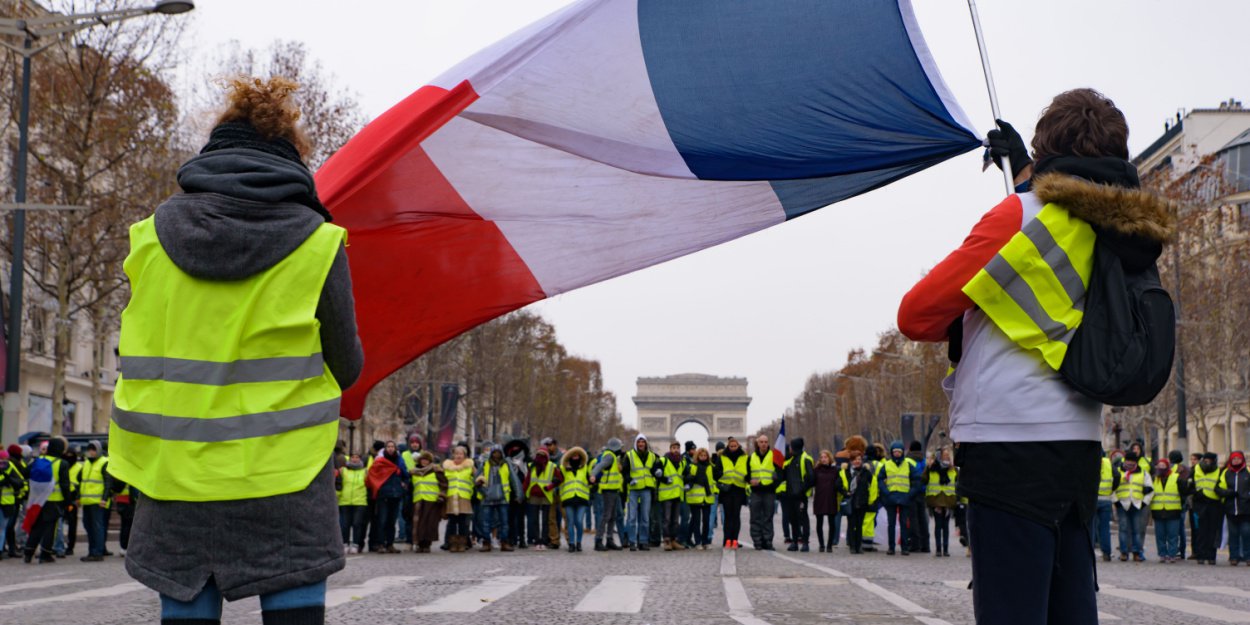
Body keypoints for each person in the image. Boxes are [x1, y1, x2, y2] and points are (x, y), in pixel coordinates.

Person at [898, 88, 1173, 624]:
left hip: (1004, 440)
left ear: (1047, 149)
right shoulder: (1123, 228)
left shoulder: (1017, 217)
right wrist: (1028, 172)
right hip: (1077, 443)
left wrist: (982, 297)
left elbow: (916, 315)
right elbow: (1068, 215)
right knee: (1069, 608)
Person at [108, 75, 364, 624]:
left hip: (173, 475)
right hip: (283, 476)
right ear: (292, 157)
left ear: (213, 151)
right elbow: (346, 366)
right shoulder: (318, 244)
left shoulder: (148, 239)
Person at [24, 436, 72, 563]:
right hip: (54, 500)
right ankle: (45, 554)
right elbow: (65, 485)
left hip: (38, 499)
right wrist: (68, 502)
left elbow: (26, 473)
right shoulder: (62, 463)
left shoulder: (38, 460)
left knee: (36, 526)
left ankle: (28, 553)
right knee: (50, 528)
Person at [369, 441, 409, 553]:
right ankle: (381, 543)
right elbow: (373, 475)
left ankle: (390, 544)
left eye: (392, 447)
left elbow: (405, 475)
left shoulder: (400, 460)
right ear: (385, 449)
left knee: (392, 521)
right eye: (388, 447)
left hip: (396, 494)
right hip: (383, 494)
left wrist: (404, 485)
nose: (391, 449)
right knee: (382, 520)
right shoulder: (380, 461)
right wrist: (378, 486)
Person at [621, 434, 659, 551]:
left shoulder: (652, 456)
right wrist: (629, 480)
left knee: (645, 518)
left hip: (646, 489)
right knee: (632, 518)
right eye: (639, 442)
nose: (641, 444)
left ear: (646, 443)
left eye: (643, 442)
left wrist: (658, 472)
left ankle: (643, 541)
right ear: (636, 443)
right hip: (633, 490)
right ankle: (632, 542)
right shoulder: (629, 455)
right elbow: (625, 472)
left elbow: (653, 470)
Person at [1114, 450, 1153, 562]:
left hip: (1137, 505)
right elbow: (1111, 488)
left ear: (1136, 462)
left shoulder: (1143, 473)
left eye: (1132, 462)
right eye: (1128, 462)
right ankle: (1124, 552)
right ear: (1124, 461)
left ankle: (1137, 553)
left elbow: (1151, 490)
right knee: (1123, 529)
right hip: (1122, 504)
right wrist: (1116, 501)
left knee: (1137, 530)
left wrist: (1145, 503)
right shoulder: (1118, 472)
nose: (1129, 464)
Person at [778, 437, 814, 552]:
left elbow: (811, 478)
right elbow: (782, 477)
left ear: (792, 448)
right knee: (793, 519)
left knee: (803, 519)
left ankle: (805, 542)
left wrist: (801, 490)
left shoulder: (806, 459)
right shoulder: (788, 461)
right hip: (790, 495)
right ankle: (794, 542)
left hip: (801, 496)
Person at [881, 441, 916, 556]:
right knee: (891, 524)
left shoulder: (908, 465)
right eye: (895, 451)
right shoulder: (886, 465)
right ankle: (891, 547)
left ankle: (904, 548)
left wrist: (910, 494)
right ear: (892, 452)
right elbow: (880, 480)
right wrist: (886, 492)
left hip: (904, 497)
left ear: (902, 453)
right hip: (891, 497)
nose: (897, 453)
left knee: (903, 524)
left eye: (899, 451)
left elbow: (917, 480)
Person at [78, 441, 112, 562]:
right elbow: (81, 481)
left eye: (93, 449)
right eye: (89, 449)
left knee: (97, 527)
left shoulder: (104, 462)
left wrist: (104, 499)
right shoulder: (87, 463)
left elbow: (108, 482)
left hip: (98, 502)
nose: (91, 452)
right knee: (89, 527)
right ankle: (91, 551)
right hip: (87, 501)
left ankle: (97, 552)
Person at [1149, 458, 1187, 563]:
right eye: (1159, 465)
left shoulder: (1176, 478)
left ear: (1167, 466)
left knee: (1173, 535)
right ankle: (1162, 554)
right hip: (1158, 510)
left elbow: (1183, 492)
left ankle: (1172, 554)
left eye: (1163, 465)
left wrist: (1183, 504)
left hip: (1173, 510)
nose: (1161, 467)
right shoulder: (1153, 479)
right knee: (1160, 535)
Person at [475, 445, 513, 552]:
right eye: (495, 452)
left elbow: (513, 479)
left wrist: (519, 494)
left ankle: (504, 542)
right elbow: (476, 479)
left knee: (504, 522)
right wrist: (481, 490)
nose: (497, 454)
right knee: (485, 522)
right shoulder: (484, 464)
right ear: (491, 453)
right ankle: (486, 542)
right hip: (487, 497)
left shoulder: (506, 464)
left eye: (498, 452)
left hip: (503, 497)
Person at [590, 438, 625, 551]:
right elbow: (600, 465)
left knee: (612, 516)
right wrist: (593, 475)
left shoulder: (613, 457)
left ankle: (609, 539)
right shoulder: (609, 456)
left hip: (614, 490)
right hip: (608, 490)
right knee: (606, 516)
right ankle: (598, 540)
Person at [714, 437, 749, 549]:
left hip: (739, 489)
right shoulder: (722, 457)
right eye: (731, 446)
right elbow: (716, 473)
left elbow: (749, 471)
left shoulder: (745, 458)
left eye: (735, 446)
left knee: (736, 516)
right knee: (728, 516)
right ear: (728, 447)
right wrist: (724, 476)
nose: (733, 448)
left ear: (738, 446)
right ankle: (727, 539)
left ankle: (735, 540)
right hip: (727, 490)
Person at [524, 447, 561, 550]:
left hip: (546, 495)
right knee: (534, 520)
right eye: (538, 454)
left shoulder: (551, 466)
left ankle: (544, 541)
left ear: (547, 456)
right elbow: (527, 480)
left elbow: (560, 479)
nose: (540, 457)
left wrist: (550, 487)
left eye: (543, 455)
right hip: (533, 495)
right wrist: (522, 493)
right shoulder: (532, 466)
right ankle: (537, 541)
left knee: (545, 520)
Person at [1215, 451, 1248, 565]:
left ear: (1242, 460)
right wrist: (1228, 493)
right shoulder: (1226, 473)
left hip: (1246, 509)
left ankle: (1248, 556)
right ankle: (1234, 557)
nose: (1236, 461)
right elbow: (1218, 489)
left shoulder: (1248, 472)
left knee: (1246, 533)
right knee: (1233, 535)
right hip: (1230, 509)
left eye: (1238, 459)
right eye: (1234, 459)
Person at [1190, 452, 1224, 564]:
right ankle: (1200, 555)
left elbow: (1221, 486)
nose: (1207, 462)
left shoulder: (1219, 471)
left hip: (1214, 503)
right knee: (1201, 531)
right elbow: (1190, 484)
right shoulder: (1196, 469)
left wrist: (1220, 492)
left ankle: (1211, 556)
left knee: (1212, 531)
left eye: (1209, 460)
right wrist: (1195, 492)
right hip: (1200, 503)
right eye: (1206, 460)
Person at [747, 434, 779, 550]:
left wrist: (774, 484)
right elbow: (746, 473)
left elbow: (780, 472)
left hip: (769, 491)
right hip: (755, 492)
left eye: (766, 442)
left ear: (768, 443)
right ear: (757, 443)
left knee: (768, 517)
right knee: (755, 517)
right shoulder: (751, 457)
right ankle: (757, 541)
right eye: (761, 442)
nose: (764, 444)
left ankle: (768, 541)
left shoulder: (774, 456)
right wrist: (749, 480)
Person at [925, 449, 958, 557]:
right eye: (945, 455)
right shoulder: (932, 469)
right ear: (940, 457)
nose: (947, 457)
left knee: (946, 527)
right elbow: (923, 480)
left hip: (948, 501)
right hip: (937, 501)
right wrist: (928, 467)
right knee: (938, 526)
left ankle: (946, 549)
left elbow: (958, 483)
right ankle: (939, 549)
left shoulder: (953, 470)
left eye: (948, 456)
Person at [443, 446, 476, 553]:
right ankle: (452, 544)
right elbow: (442, 481)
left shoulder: (469, 467)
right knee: (452, 522)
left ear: (464, 455)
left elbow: (479, 477)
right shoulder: (447, 467)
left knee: (463, 522)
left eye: (460, 454)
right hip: (452, 497)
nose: (458, 455)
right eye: (456, 453)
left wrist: (480, 481)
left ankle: (462, 544)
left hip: (464, 497)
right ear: (453, 455)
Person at [813, 449, 846, 552]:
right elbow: (811, 482)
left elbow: (839, 484)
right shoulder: (816, 470)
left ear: (829, 458)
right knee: (819, 523)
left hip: (831, 498)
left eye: (825, 457)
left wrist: (846, 493)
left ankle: (829, 545)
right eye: (822, 457)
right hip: (819, 498)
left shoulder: (835, 470)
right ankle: (821, 544)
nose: (823, 459)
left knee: (832, 523)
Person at [560, 447, 592, 552]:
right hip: (568, 498)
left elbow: (590, 481)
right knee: (570, 522)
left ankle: (579, 542)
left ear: (580, 457)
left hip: (581, 498)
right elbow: (559, 481)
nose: (575, 457)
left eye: (577, 455)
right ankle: (571, 544)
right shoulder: (563, 468)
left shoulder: (585, 467)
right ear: (569, 457)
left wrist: (592, 481)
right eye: (573, 455)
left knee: (579, 521)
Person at [657, 443, 687, 551]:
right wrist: (664, 478)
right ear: (670, 449)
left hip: (677, 494)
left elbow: (687, 474)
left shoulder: (683, 462)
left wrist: (689, 481)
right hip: (667, 495)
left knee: (675, 520)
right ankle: (666, 541)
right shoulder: (663, 460)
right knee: (667, 519)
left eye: (678, 448)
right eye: (674, 448)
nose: (676, 450)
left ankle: (674, 541)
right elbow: (655, 472)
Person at [336, 454, 368, 555]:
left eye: (357, 457)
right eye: (352, 457)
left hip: (360, 501)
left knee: (357, 524)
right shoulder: (343, 471)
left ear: (360, 459)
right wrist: (338, 495)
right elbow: (339, 484)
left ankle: (355, 545)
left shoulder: (364, 471)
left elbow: (369, 484)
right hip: (345, 501)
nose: (354, 459)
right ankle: (345, 544)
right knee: (345, 525)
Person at [685, 447, 716, 550]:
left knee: (706, 521)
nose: (703, 457)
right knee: (696, 521)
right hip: (695, 498)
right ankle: (698, 542)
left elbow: (714, 479)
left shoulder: (711, 467)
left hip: (707, 498)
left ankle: (705, 541)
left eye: (705, 455)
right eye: (701, 455)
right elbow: (686, 477)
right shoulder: (692, 467)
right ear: (697, 456)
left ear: (707, 456)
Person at [846, 453, 875, 555]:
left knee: (859, 525)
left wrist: (870, 499)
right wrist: (846, 492)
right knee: (852, 525)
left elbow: (872, 484)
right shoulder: (847, 472)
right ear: (851, 461)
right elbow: (839, 484)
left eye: (859, 459)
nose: (857, 461)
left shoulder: (866, 472)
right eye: (854, 459)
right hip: (851, 502)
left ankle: (859, 546)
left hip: (862, 501)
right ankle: (852, 546)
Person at [1092, 450, 1118, 562]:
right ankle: (1106, 553)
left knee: (1091, 526)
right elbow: (1117, 475)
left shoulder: (1089, 461)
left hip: (1092, 499)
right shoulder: (1108, 463)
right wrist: (1111, 489)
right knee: (1105, 528)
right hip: (1106, 499)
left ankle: (1089, 552)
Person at [906, 441, 930, 553]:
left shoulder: (908, 461)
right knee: (923, 519)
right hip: (923, 492)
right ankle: (926, 545)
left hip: (911, 492)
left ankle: (915, 544)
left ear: (910, 449)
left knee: (913, 519)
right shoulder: (924, 461)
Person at [541, 437, 565, 549]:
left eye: (549, 445)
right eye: (546, 445)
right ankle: (554, 540)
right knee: (551, 518)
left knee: (566, 516)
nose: (548, 447)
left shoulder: (564, 458)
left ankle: (571, 540)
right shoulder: (545, 458)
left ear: (555, 445)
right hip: (550, 491)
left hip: (562, 491)